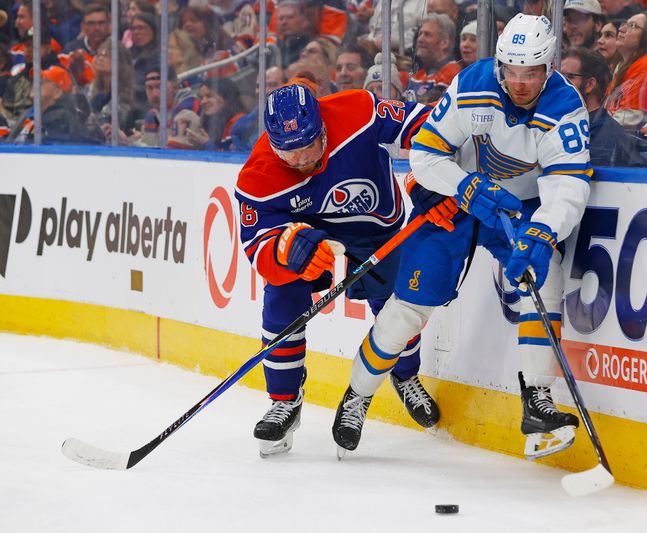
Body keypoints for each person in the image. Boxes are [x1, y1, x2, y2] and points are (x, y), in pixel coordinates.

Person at [331, 14, 591, 461]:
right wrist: (463, 185)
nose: (521, 82)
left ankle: (537, 402)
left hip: (520, 208)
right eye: (512, 71)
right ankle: (357, 396)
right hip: (457, 201)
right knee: (408, 308)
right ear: (500, 67)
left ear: (548, 67)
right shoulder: (473, 84)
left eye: (531, 72)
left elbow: (568, 185)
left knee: (543, 282)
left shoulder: (565, 108)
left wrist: (544, 232)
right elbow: (427, 154)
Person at [234, 84, 439, 457]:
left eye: (307, 146)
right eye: (287, 151)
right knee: (282, 299)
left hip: (373, 225)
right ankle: (285, 401)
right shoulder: (258, 176)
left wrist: (443, 168)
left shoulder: (356, 110)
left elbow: (422, 122)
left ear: (322, 128)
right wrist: (285, 253)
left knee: (396, 306)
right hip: (308, 230)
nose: (299, 160)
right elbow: (257, 248)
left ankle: (406, 375)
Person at [562, 47, 642, 166]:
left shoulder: (604, 136)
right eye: (559, 76)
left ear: (589, 85)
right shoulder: (565, 122)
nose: (560, 83)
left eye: (569, 77)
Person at [604, 12, 647, 130]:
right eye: (624, 24)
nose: (621, 29)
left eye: (633, 26)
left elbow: (633, 118)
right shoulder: (623, 66)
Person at [406, 13, 461, 104]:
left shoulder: (452, 74)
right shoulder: (419, 75)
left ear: (444, 43)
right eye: (420, 34)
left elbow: (425, 108)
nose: (420, 39)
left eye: (427, 35)